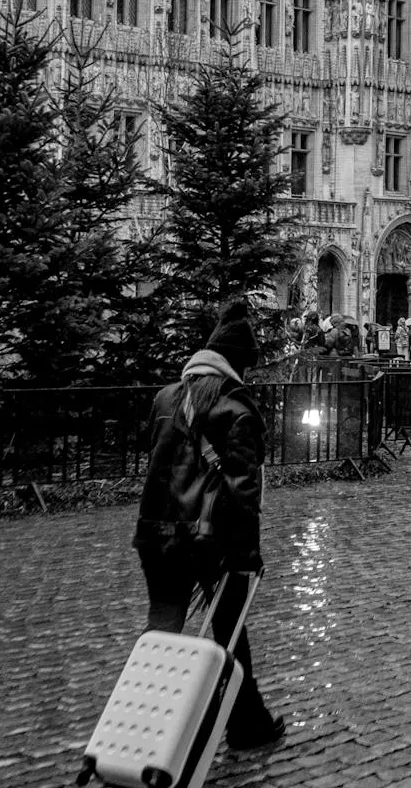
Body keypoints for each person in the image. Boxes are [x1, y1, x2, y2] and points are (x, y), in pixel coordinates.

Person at [133, 300, 285, 752]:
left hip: (156, 535)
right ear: (237, 364)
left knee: (160, 630)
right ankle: (244, 725)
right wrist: (247, 557)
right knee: (230, 632)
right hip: (210, 539)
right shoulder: (236, 409)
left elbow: (159, 466)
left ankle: (142, 724)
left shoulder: (166, 398)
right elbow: (242, 494)